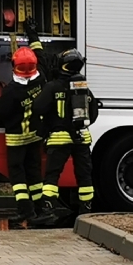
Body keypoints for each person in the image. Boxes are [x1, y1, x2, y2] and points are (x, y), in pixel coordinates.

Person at [32, 48, 99, 226]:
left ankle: (47, 210)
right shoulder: (83, 89)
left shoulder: (53, 86)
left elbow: (37, 108)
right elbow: (93, 114)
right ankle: (86, 212)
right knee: (85, 177)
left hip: (59, 139)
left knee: (52, 177)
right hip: (82, 138)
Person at [0, 45, 46, 224]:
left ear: (14, 66)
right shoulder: (40, 81)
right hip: (34, 137)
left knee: (18, 176)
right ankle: (40, 209)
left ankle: (24, 210)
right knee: (34, 174)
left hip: (17, 140)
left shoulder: (11, 91)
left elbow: (0, 114)